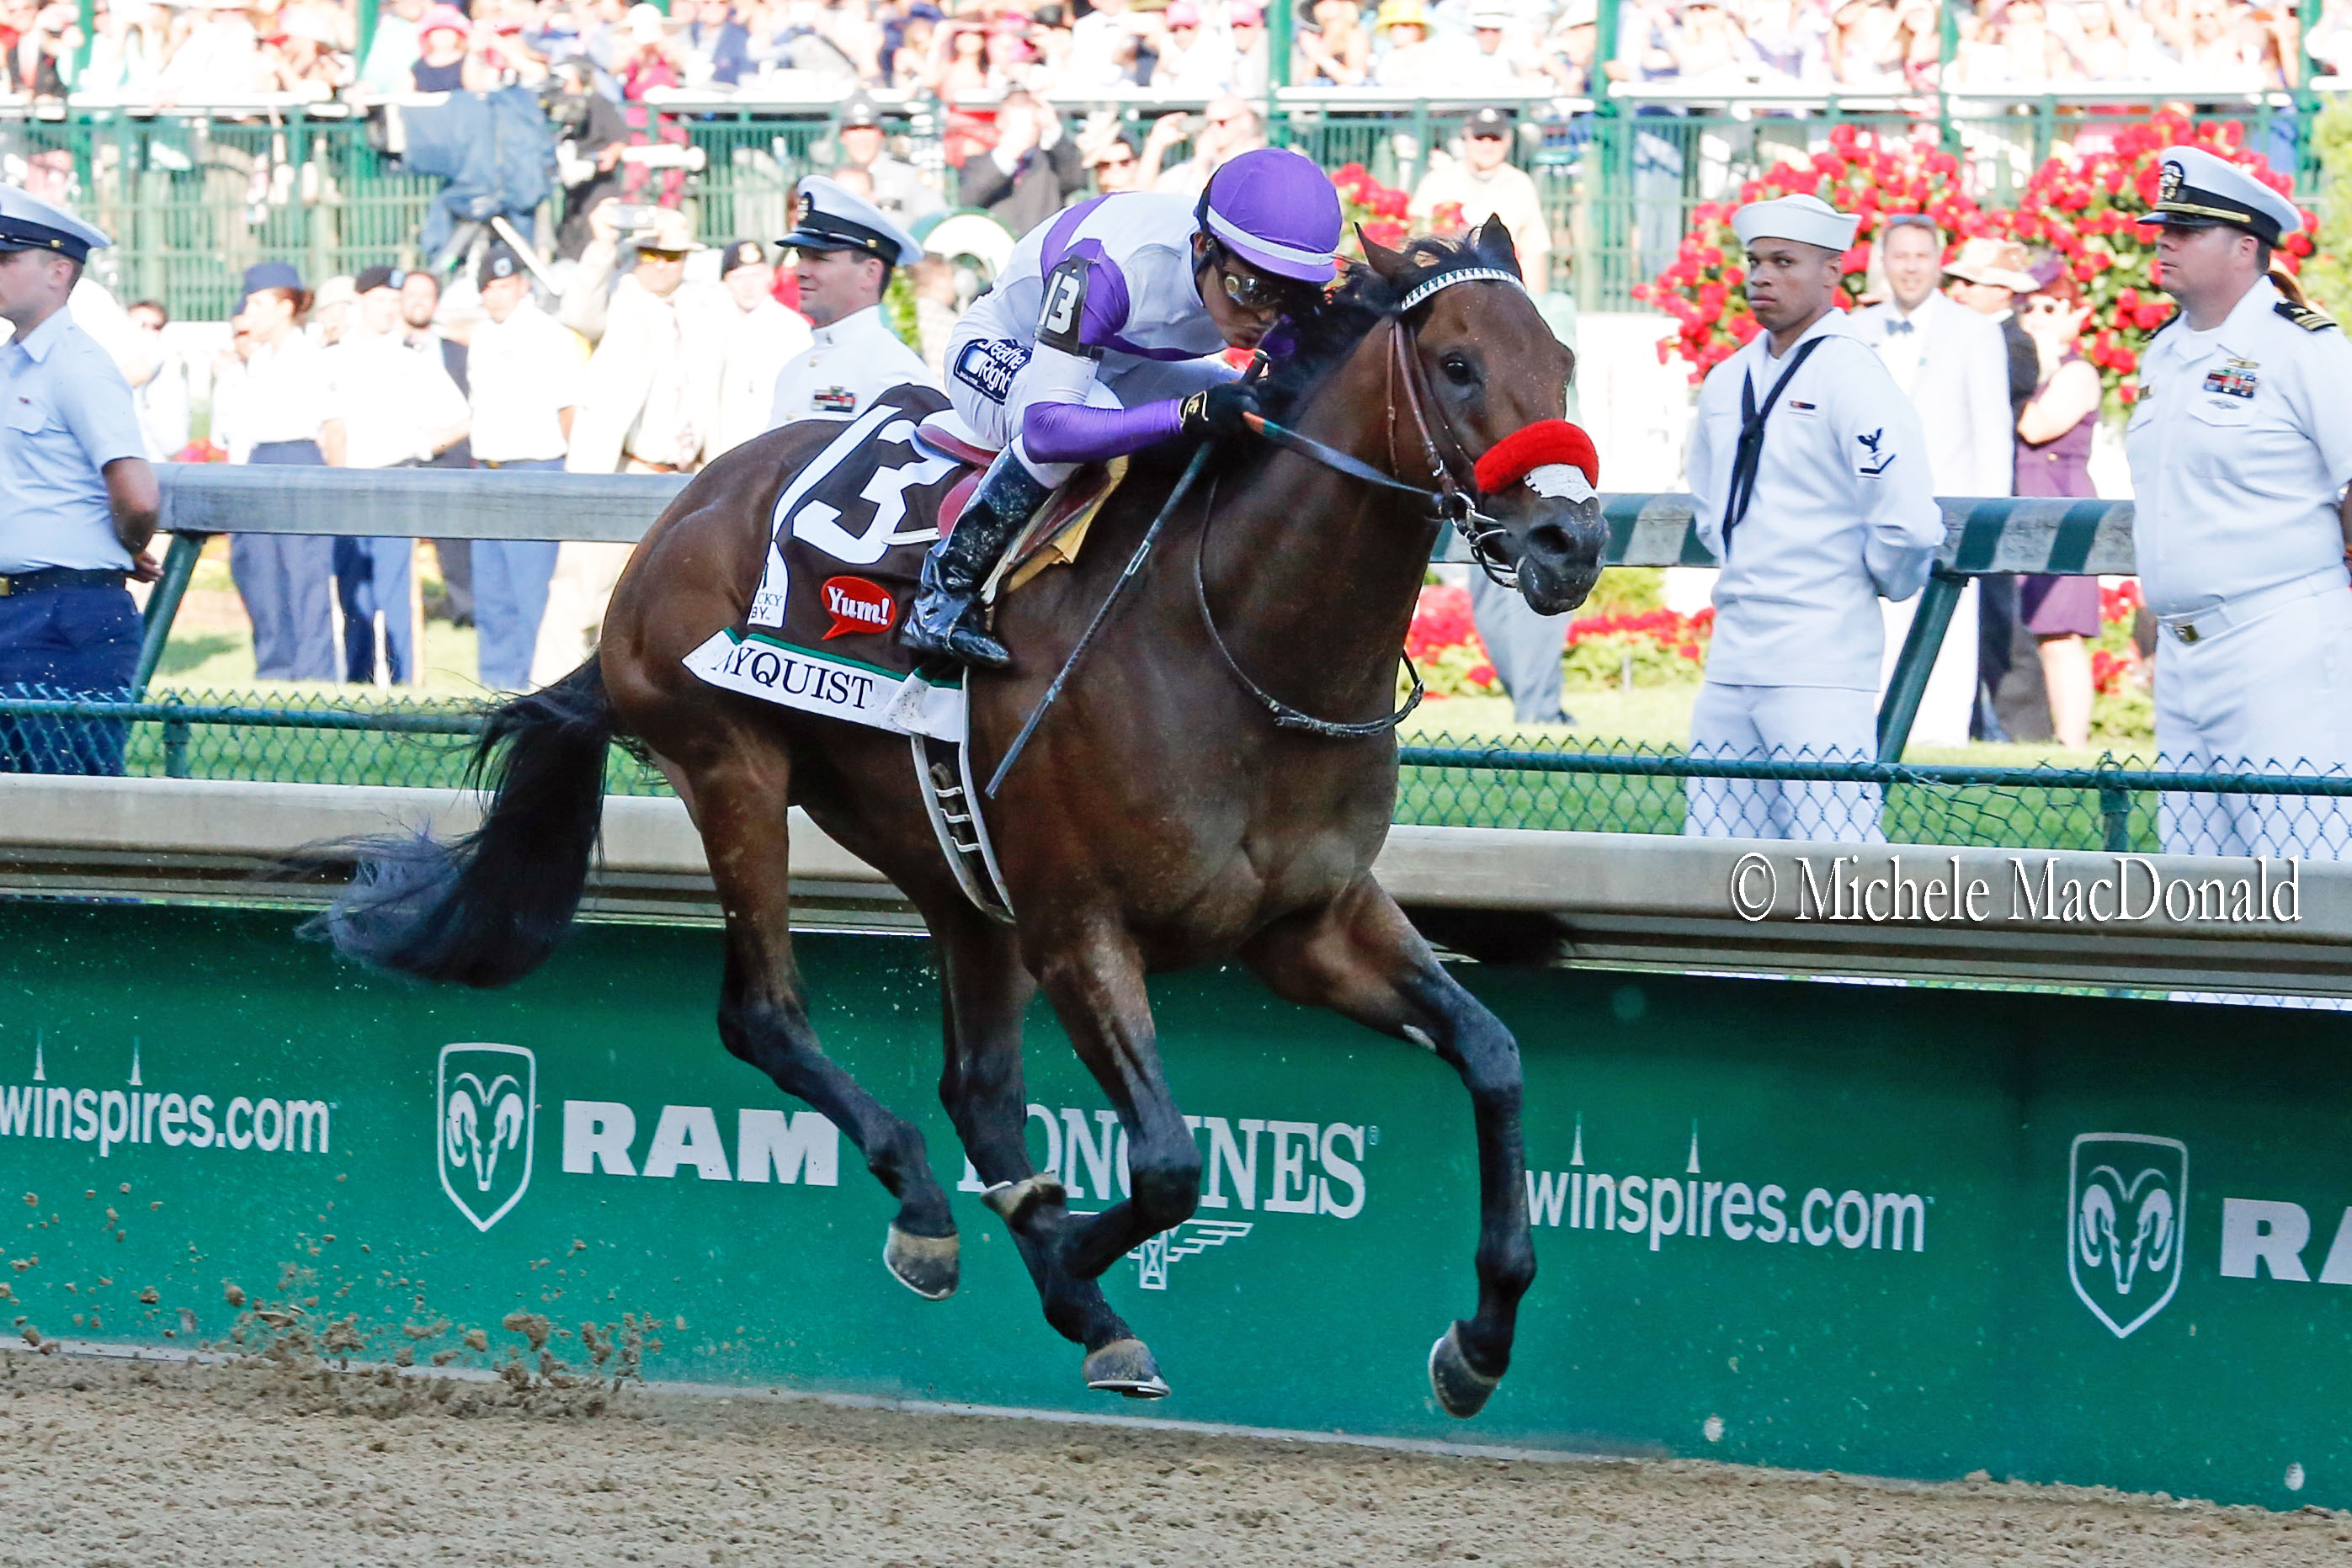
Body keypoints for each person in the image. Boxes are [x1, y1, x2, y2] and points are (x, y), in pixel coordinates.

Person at [908, 146, 1342, 668]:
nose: (1267, 316)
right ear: (1203, 245)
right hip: (1007, 349)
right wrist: (1185, 415)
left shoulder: (1252, 275)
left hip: (1119, 360)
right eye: (1250, 289)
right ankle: (944, 593)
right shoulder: (1106, 266)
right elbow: (1048, 428)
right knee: (1097, 410)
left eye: (1291, 296)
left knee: (1245, 403)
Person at [1684, 193, 1942, 841]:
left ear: (1832, 273)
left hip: (1820, 657)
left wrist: (1859, 584)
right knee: (1713, 857)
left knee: (1836, 855)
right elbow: (1710, 503)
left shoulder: (1851, 375)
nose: (1762, 276)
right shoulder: (1728, 377)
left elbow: (1906, 522)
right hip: (1735, 651)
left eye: (1784, 261)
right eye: (1754, 262)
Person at [2126, 146, 2352, 857]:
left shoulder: (2305, 348)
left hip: (2279, 635)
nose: (2164, 240)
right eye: (2165, 226)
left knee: (2300, 871)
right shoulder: (2163, 351)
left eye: (2188, 229)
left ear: (2245, 246)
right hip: (2186, 646)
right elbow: (2166, 499)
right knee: (2196, 880)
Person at [0, 189, 160, 775]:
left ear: (58, 270)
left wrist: (125, 544)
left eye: (4, 260)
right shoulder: (15, 360)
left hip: (63, 612)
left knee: (69, 810)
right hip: (34, 606)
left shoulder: (78, 364)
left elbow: (137, 494)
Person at [536, 205, 729, 686]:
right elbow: (578, 311)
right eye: (650, 252)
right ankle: (549, 695)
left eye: (673, 255)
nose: (661, 264)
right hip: (624, 469)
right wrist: (601, 244)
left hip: (687, 478)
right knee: (583, 587)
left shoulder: (703, 306)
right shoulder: (619, 294)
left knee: (668, 597)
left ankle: (636, 696)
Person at [1854, 215, 2009, 751]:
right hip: (1867, 516)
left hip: (1949, 517)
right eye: (1900, 256)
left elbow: (1993, 434)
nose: (1911, 267)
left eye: (1921, 256)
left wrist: (1989, 522)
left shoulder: (1977, 332)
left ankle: (1941, 742)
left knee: (1949, 636)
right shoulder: (1855, 329)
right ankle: (1870, 739)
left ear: (1939, 261)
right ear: (1884, 262)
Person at [328, 264, 471, 686]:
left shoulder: (413, 360)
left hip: (394, 482)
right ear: (359, 302)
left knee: (395, 591)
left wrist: (421, 447)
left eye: (395, 301)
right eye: (380, 301)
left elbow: (460, 419)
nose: (389, 309)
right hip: (345, 486)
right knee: (354, 592)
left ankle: (404, 683)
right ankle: (356, 683)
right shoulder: (333, 358)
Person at [212, 262, 344, 683]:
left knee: (304, 578)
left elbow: (334, 429)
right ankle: (274, 669)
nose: (250, 313)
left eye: (259, 303)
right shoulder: (258, 361)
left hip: (299, 462)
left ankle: (314, 674)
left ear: (286, 306)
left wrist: (335, 491)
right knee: (261, 574)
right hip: (258, 464)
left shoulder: (311, 357)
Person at [466, 242, 583, 691]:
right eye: (489, 288)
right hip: (490, 469)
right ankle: (496, 681)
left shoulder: (548, 334)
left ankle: (537, 682)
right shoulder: (482, 336)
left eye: (504, 285)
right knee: (492, 585)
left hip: (535, 468)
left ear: (522, 285)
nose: (496, 295)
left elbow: (568, 407)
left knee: (531, 584)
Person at [1943, 235, 2046, 742]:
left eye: (1972, 282)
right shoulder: (1964, 336)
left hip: (1990, 495)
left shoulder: (2013, 342)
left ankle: (2023, 728)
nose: (1958, 291)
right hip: (1958, 491)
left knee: (1999, 614)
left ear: (2004, 292)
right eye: (1957, 281)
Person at [2014, 267, 2103, 750]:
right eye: (2029, 308)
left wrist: (2016, 384)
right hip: (2020, 507)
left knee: (2061, 635)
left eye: (2050, 307)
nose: (2037, 318)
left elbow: (2038, 426)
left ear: (2077, 315)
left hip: (2063, 511)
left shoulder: (2077, 371)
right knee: (2029, 634)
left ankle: (2072, 744)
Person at [765, 176, 932, 431]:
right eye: (801, 257)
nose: (800, 271)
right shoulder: (794, 369)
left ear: (870, 273)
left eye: (819, 259)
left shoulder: (894, 375)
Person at [1410, 107, 1552, 292]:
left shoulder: (1520, 184)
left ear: (1508, 141)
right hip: (1446, 286)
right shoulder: (1437, 180)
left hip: (1502, 288)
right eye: (1479, 137)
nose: (1487, 146)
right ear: (1467, 139)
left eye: (1495, 138)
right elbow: (1417, 242)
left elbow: (1533, 250)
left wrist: (1534, 302)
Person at [707, 238, 812, 459]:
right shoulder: (715, 326)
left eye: (756, 275)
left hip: (772, 455)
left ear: (770, 276)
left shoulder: (792, 330)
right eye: (738, 277)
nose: (748, 286)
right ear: (725, 282)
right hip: (722, 453)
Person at [956, 90, 1086, 237]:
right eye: (1017, 125)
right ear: (1001, 123)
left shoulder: (1050, 163)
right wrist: (1007, 158)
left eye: (1030, 126)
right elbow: (967, 199)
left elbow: (1076, 178)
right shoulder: (977, 164)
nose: (1024, 133)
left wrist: (1054, 129)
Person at [834, 89, 942, 224]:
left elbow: (934, 221)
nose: (862, 138)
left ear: (881, 134)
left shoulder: (908, 175)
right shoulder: (836, 181)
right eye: (854, 129)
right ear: (842, 137)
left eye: (868, 128)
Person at [124, 299, 189, 460]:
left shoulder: (163, 360)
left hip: (152, 461)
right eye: (140, 324)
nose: (147, 331)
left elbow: (173, 439)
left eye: (156, 327)